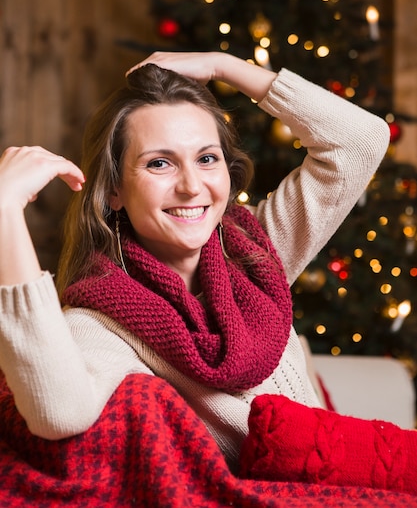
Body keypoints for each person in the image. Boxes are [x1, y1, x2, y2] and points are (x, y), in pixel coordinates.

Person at [0, 51, 389, 473]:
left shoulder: (255, 251)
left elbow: (360, 141)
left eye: (207, 158)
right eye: (159, 163)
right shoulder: (102, 321)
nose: (191, 186)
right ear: (114, 191)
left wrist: (224, 66)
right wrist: (4, 209)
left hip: (345, 480)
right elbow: (58, 416)